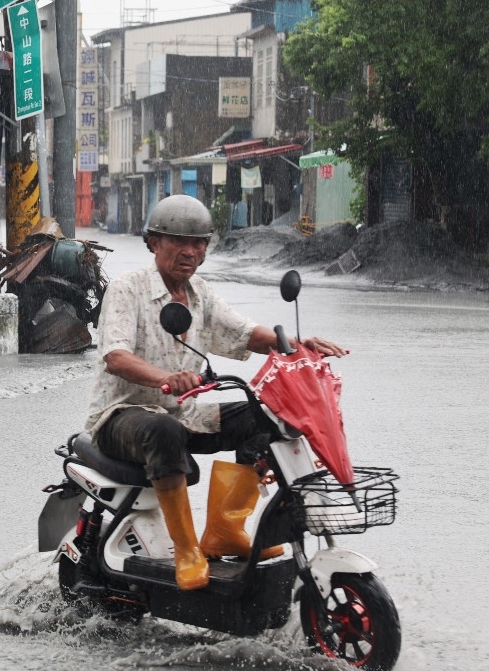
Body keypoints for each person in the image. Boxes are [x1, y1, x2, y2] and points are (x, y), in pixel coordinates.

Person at [84, 194, 348, 591]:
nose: (189, 251)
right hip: (122, 416)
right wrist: (165, 378)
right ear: (154, 242)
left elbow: (243, 332)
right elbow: (116, 357)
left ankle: (224, 530)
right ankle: (187, 549)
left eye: (199, 243)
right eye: (178, 241)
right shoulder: (128, 288)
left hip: (181, 413)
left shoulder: (200, 295)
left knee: (268, 417)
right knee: (164, 432)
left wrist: (293, 343)